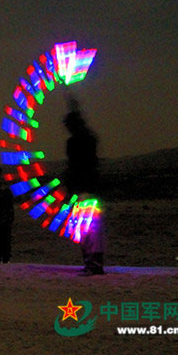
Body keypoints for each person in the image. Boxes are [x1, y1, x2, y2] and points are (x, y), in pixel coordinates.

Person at [63, 98, 105, 275]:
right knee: (85, 230)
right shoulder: (84, 139)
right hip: (84, 188)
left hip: (85, 189)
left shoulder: (79, 141)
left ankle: (93, 264)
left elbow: (77, 165)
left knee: (89, 231)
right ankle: (91, 263)